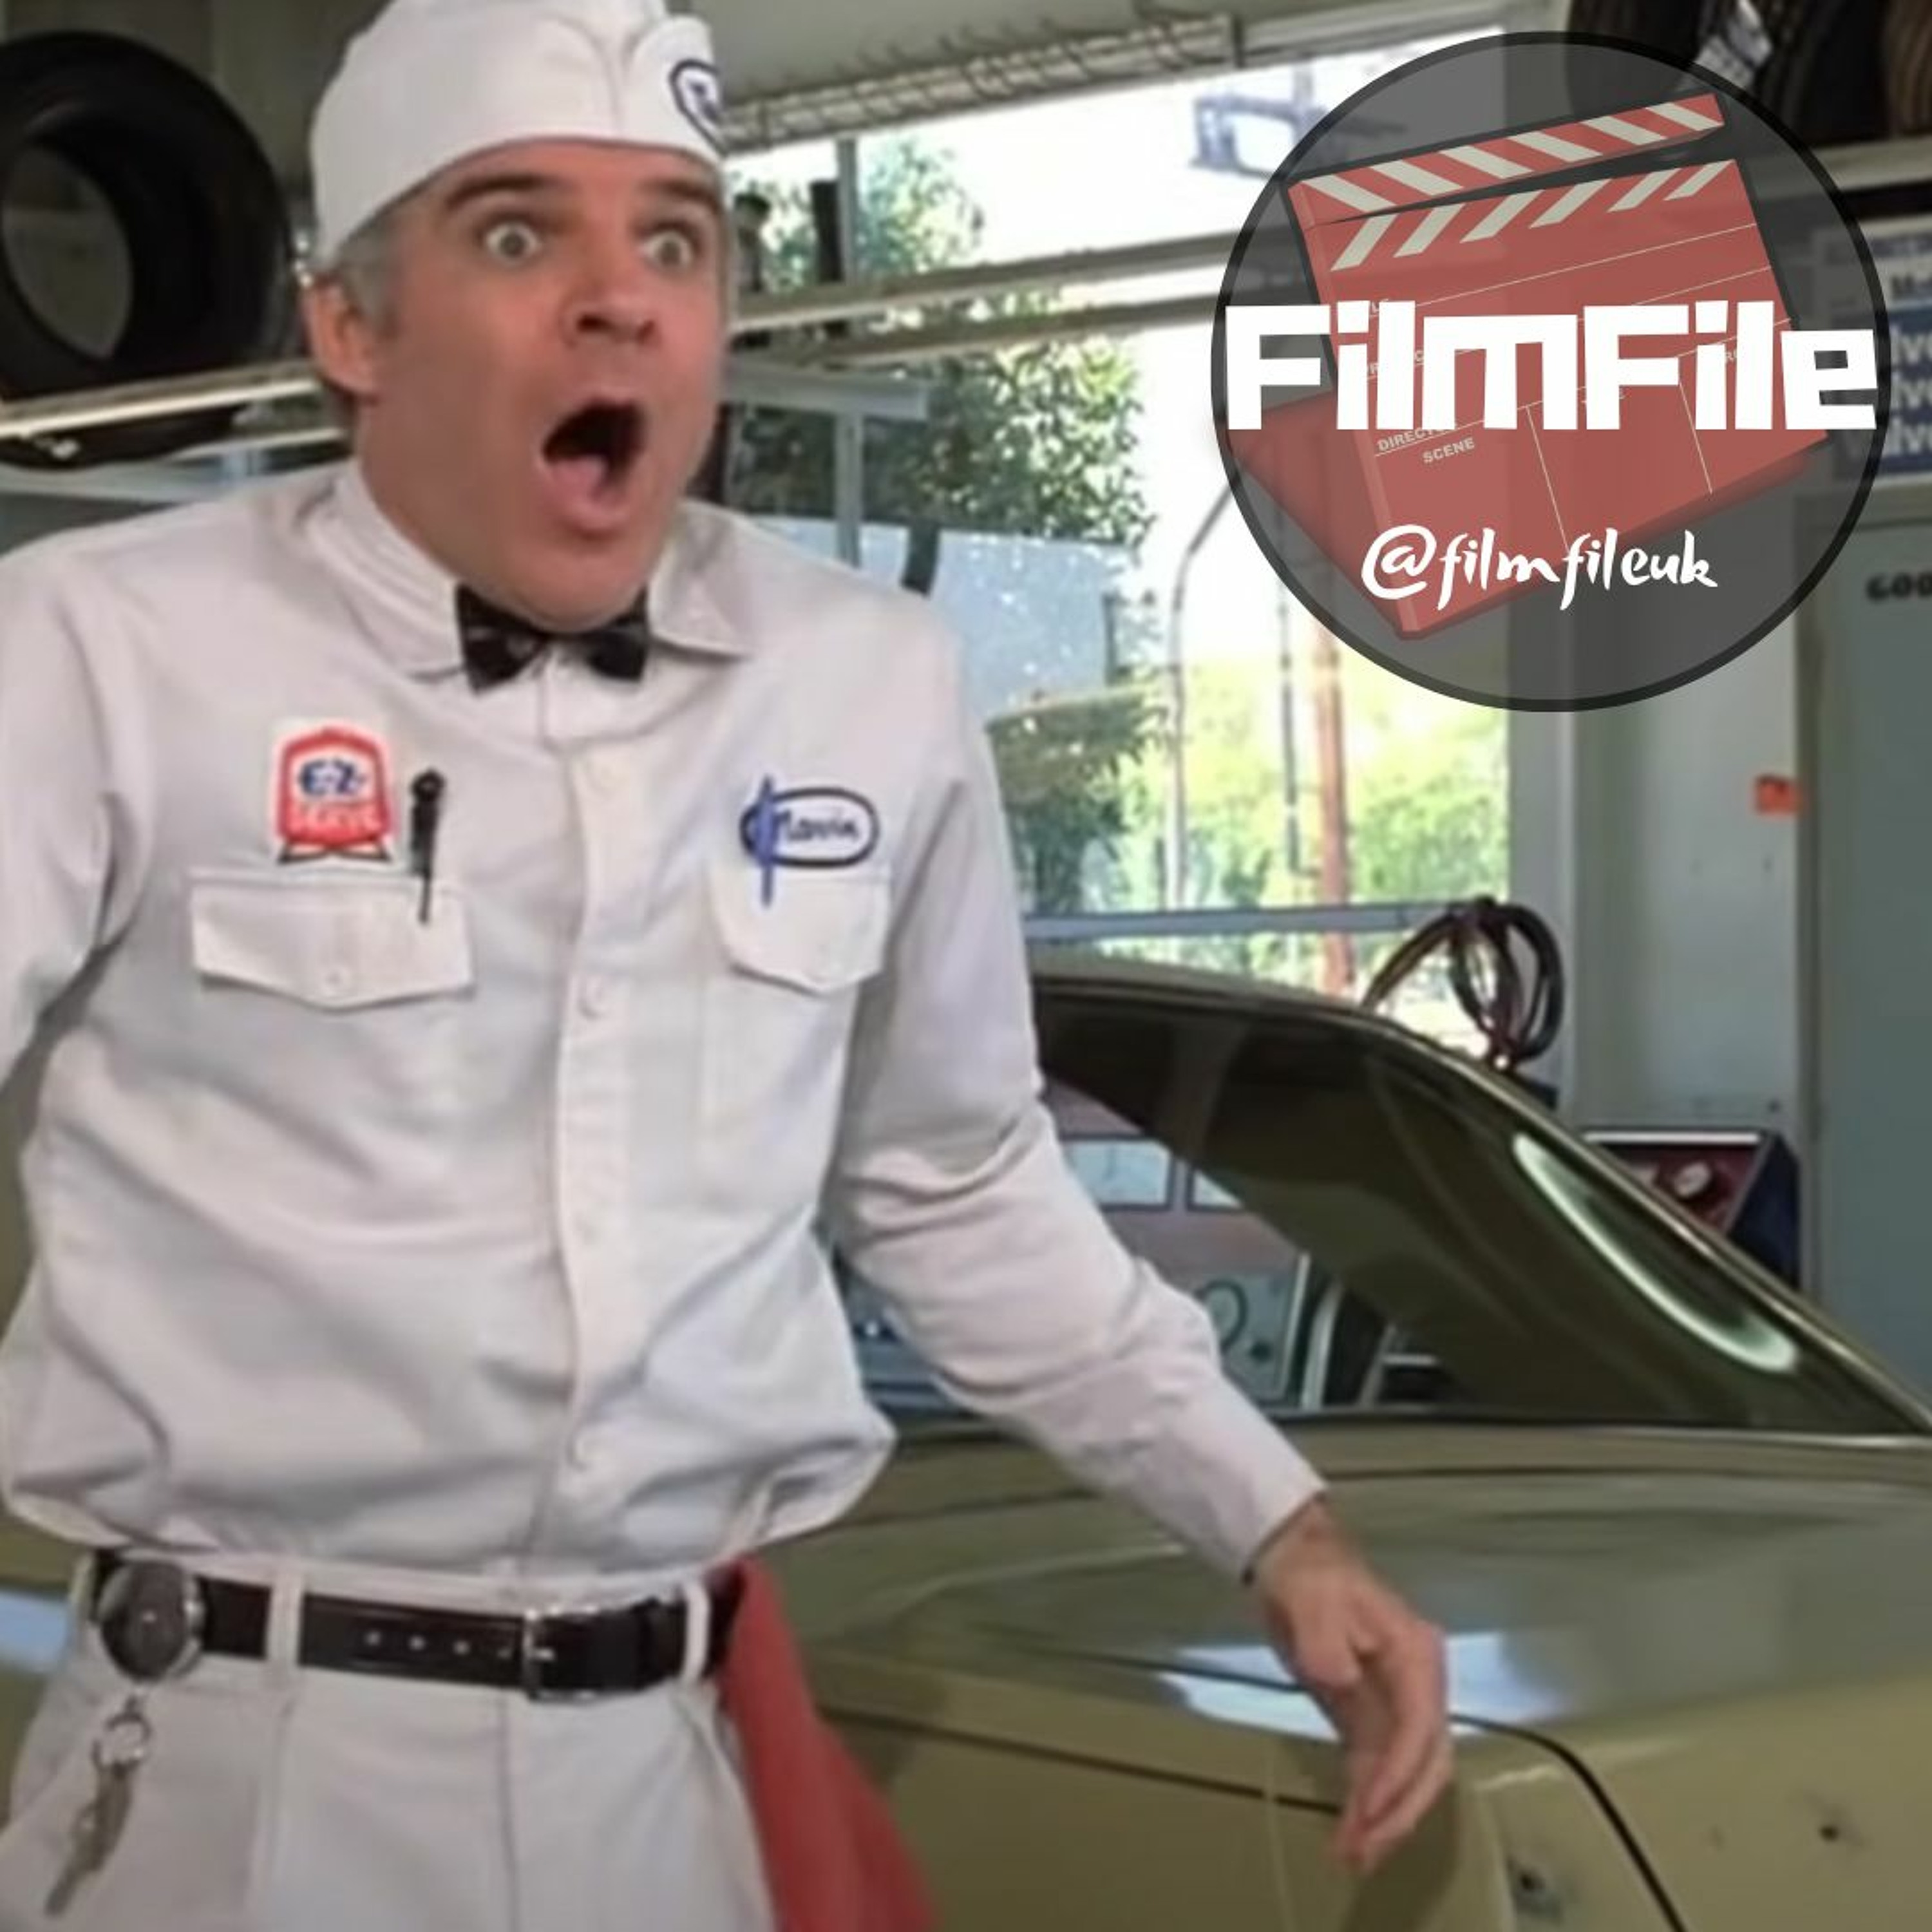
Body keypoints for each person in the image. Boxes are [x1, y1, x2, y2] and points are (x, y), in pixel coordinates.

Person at [0, 0, 1451, 1924]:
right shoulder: (101, 651)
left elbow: (954, 1183)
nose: (621, 299)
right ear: (352, 326)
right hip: (244, 1772)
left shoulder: (866, 683)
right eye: (518, 232)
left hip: (666, 1782)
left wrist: (1276, 1522)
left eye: (675, 241)